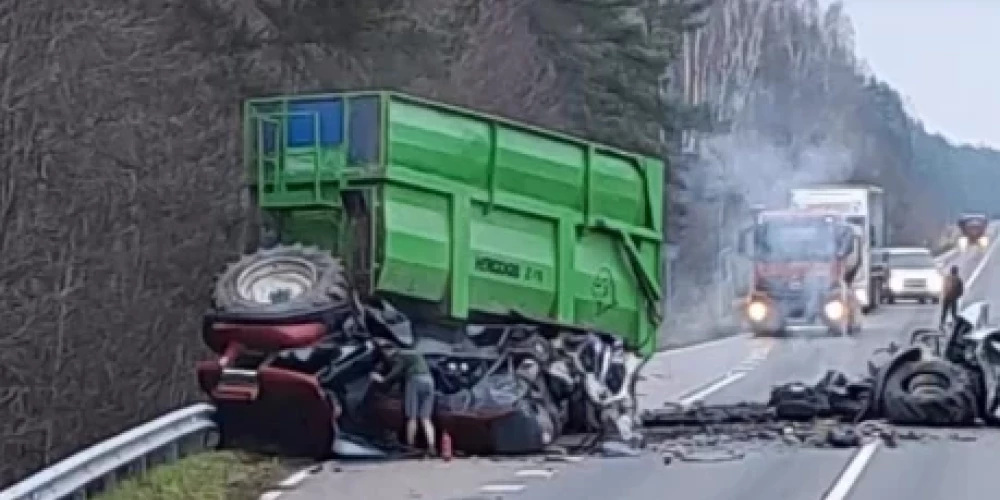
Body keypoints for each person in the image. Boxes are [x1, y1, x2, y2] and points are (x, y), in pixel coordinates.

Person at [371, 344, 437, 455]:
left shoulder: (400, 355)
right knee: (426, 418)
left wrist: (382, 379)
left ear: (389, 351)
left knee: (412, 417)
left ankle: (411, 447)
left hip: (415, 380)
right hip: (429, 381)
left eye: (385, 353)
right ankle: (431, 447)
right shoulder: (412, 352)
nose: (387, 357)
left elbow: (396, 371)